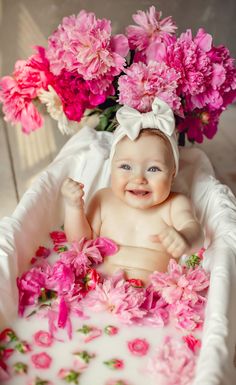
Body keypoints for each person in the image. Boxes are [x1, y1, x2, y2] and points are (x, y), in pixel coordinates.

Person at [61, 98, 204, 283]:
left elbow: (196, 231)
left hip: (154, 294)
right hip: (100, 290)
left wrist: (186, 238)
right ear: (111, 167)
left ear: (172, 173)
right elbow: (79, 243)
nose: (139, 179)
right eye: (126, 167)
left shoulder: (174, 205)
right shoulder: (103, 199)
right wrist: (74, 208)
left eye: (153, 169)